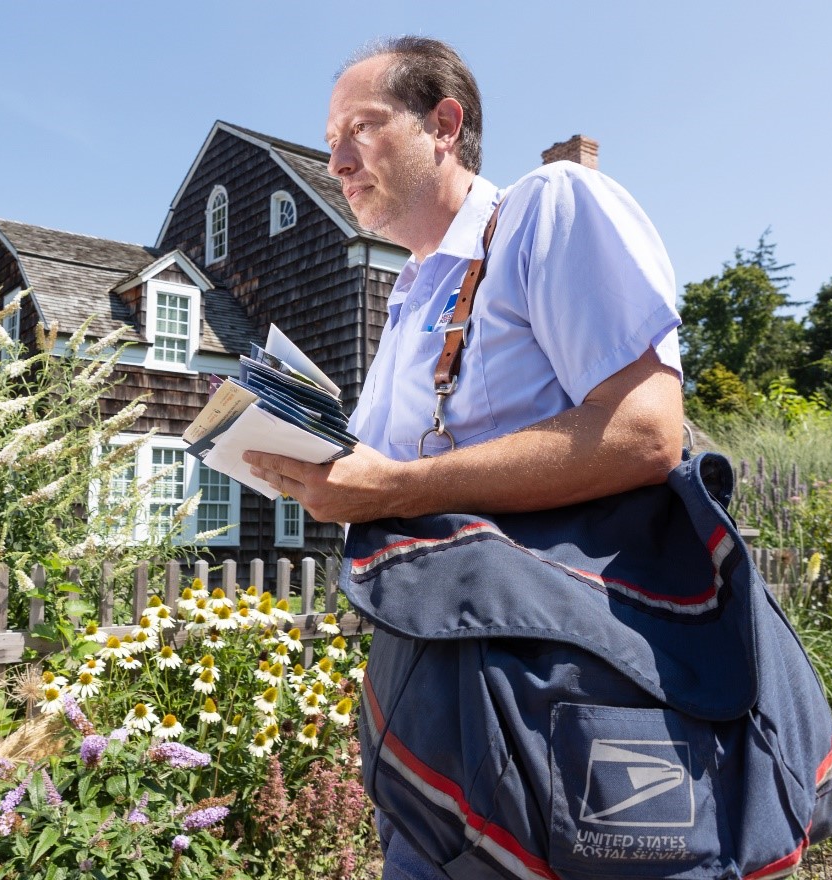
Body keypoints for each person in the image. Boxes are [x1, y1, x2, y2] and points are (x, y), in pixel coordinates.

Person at [244, 37, 685, 880]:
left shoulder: (548, 206)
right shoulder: (412, 292)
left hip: (548, 698)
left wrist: (395, 487)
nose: (336, 162)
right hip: (428, 706)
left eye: (361, 128)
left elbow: (645, 434)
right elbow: (388, 482)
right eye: (331, 139)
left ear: (443, 125)